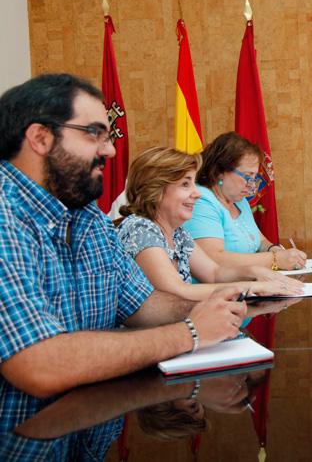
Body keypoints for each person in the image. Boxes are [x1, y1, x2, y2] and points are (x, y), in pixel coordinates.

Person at [0, 73, 248, 435]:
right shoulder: (5, 215)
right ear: (40, 138)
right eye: (94, 134)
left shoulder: (90, 219)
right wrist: (191, 331)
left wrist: (215, 312)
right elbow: (40, 365)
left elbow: (143, 305)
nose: (111, 150)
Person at [117, 146, 304, 303]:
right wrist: (252, 287)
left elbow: (214, 273)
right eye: (185, 184)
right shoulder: (140, 229)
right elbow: (177, 292)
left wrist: (255, 272)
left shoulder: (177, 232)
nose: (197, 193)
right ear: (154, 190)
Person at [183, 132, 307, 271]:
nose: (252, 185)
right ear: (220, 171)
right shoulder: (201, 201)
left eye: (254, 177)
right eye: (248, 176)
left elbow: (261, 243)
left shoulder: (239, 201)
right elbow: (213, 258)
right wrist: (275, 259)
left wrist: (276, 250)